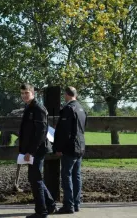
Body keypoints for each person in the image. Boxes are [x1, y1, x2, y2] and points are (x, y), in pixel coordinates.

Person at [18, 83, 58, 218]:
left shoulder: (38, 109)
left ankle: (41, 212)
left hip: (37, 150)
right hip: (32, 150)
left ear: (33, 93)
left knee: (35, 179)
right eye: (22, 93)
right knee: (35, 178)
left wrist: (31, 151)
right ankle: (50, 205)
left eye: (26, 93)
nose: (24, 96)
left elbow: (41, 132)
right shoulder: (29, 108)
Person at [53, 86, 87, 214]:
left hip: (70, 147)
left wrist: (58, 147)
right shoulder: (82, 109)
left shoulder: (68, 109)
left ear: (66, 95)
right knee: (76, 175)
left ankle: (68, 205)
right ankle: (76, 203)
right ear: (75, 95)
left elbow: (64, 132)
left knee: (66, 175)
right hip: (80, 146)